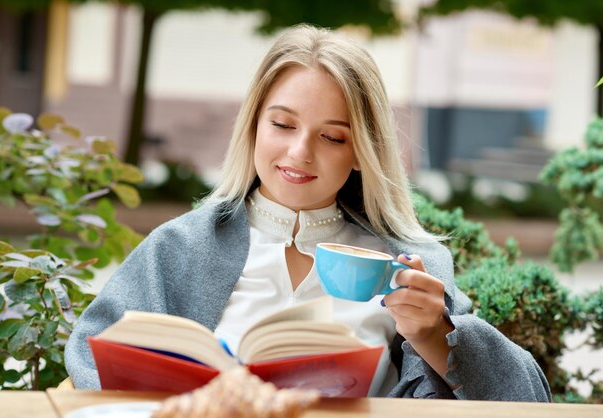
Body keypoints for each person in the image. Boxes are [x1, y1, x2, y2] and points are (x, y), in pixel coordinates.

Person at [65, 24, 550, 401]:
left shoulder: (407, 263)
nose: (299, 153)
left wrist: (438, 334)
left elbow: (527, 396)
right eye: (282, 124)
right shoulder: (181, 246)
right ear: (254, 124)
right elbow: (92, 354)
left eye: (332, 136)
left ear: (362, 150)